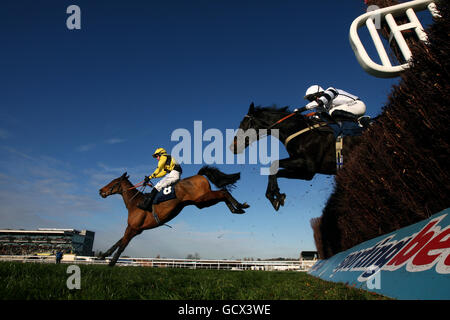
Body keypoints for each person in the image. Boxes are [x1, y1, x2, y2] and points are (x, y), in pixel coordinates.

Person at [301, 85, 370, 127]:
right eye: (310, 99)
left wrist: (302, 109)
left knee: (332, 112)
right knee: (330, 118)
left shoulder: (330, 90)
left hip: (357, 105)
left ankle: (360, 120)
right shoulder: (322, 106)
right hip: (347, 109)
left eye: (312, 97)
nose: (312, 100)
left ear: (319, 93)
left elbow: (321, 101)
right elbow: (319, 115)